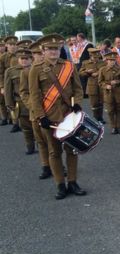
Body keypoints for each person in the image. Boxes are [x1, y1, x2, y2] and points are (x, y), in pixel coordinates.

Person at [28, 34, 86, 199]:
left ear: (60, 50)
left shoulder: (68, 65)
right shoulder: (36, 69)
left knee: (72, 149)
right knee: (54, 152)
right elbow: (34, 96)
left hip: (69, 115)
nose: (54, 51)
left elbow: (77, 89)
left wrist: (78, 103)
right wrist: (41, 116)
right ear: (44, 51)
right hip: (50, 117)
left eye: (56, 48)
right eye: (50, 49)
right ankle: (60, 184)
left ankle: (73, 182)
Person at [21, 41, 52, 179]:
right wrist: (33, 106)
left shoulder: (50, 69)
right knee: (41, 141)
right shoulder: (27, 72)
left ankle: (57, 164)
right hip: (36, 112)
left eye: (40, 53)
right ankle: (46, 166)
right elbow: (24, 92)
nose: (38, 56)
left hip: (52, 110)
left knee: (53, 141)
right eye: (35, 54)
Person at [5, 46, 35, 153]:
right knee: (26, 128)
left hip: (36, 103)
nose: (24, 60)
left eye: (26, 58)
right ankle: (30, 147)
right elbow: (8, 89)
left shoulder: (36, 69)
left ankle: (41, 144)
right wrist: (9, 104)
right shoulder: (11, 71)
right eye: (22, 58)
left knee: (37, 127)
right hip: (20, 104)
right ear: (18, 59)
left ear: (31, 59)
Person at [99, 52, 120, 134]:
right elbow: (100, 82)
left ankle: (119, 127)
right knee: (110, 111)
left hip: (118, 93)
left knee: (119, 110)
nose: (112, 62)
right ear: (107, 60)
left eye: (113, 60)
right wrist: (106, 86)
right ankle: (113, 127)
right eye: (110, 60)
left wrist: (117, 82)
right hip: (108, 93)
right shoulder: (103, 70)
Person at [78, 48, 106, 123]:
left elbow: (106, 71)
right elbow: (80, 72)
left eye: (97, 57)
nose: (96, 59)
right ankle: (95, 118)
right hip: (91, 85)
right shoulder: (85, 63)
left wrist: (99, 73)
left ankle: (100, 117)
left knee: (101, 102)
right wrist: (88, 72)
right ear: (90, 56)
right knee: (94, 103)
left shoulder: (103, 63)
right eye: (94, 57)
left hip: (101, 85)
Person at [0, 36, 19, 126]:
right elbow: (1, 73)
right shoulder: (3, 57)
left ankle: (15, 122)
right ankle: (5, 118)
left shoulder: (20, 56)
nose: (13, 46)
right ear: (7, 45)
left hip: (17, 81)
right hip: (6, 81)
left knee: (17, 100)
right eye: (10, 44)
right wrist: (2, 86)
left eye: (14, 44)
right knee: (4, 101)